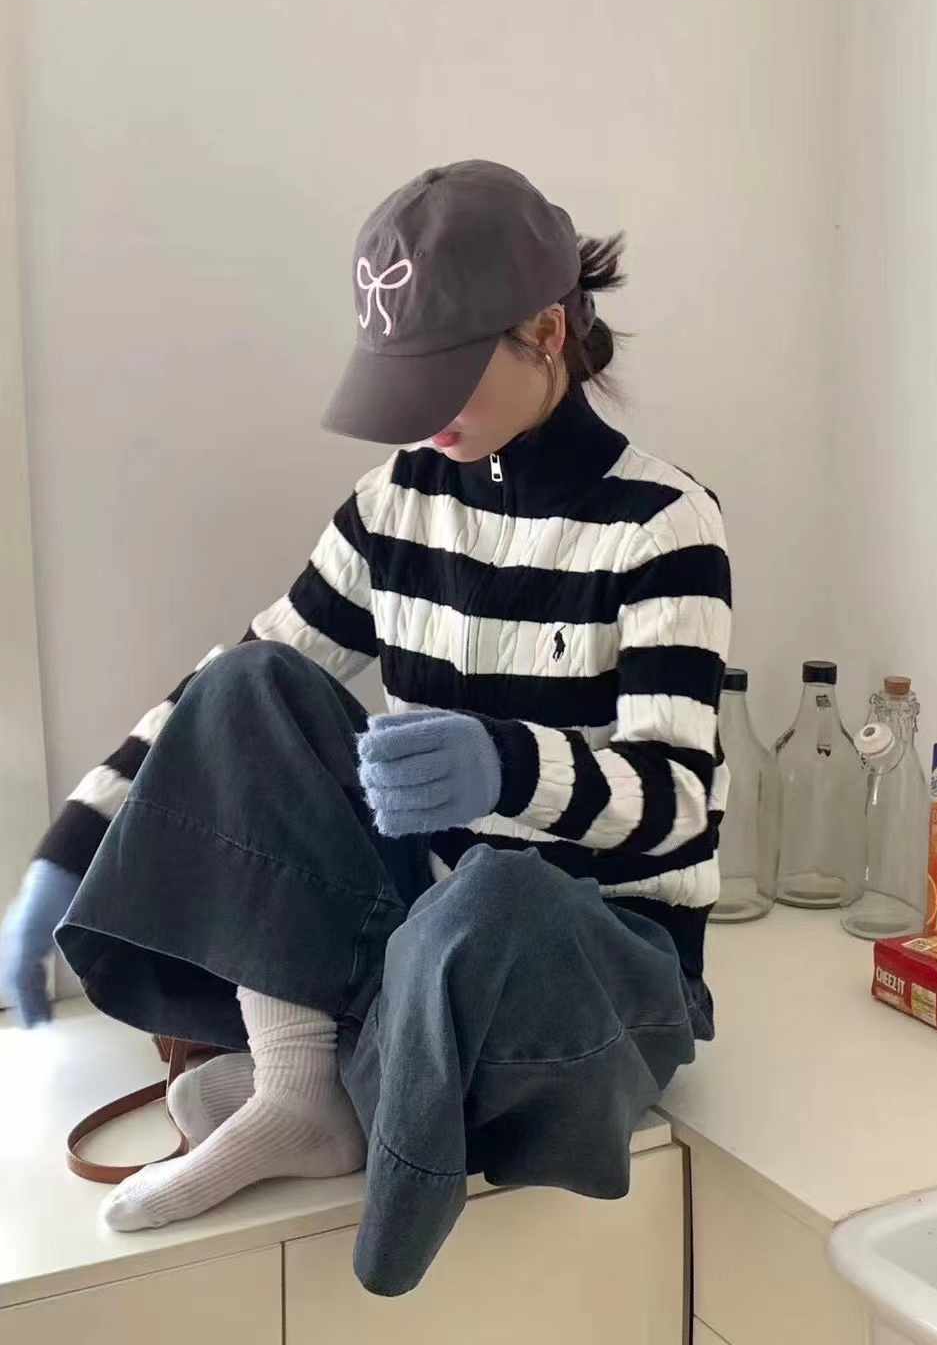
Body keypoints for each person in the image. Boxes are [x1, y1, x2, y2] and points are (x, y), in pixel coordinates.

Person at [0, 161, 731, 1295]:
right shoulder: (394, 500)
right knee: (250, 687)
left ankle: (380, 1127)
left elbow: (679, 800)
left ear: (546, 331)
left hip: (597, 964)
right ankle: (310, 1088)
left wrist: (506, 768)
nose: (421, 417)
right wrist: (71, 845)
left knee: (498, 895)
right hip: (424, 935)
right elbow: (233, 686)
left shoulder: (665, 527)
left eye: (445, 378)